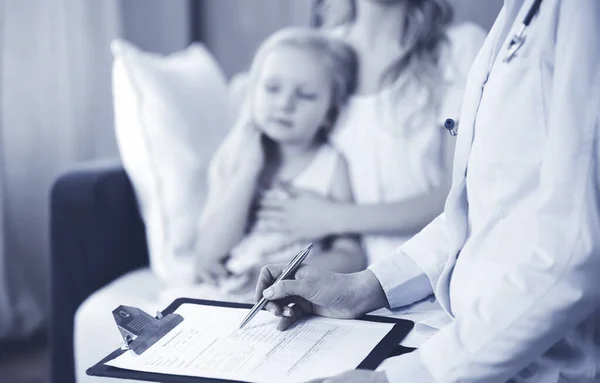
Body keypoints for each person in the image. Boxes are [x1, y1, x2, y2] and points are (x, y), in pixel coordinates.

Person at [255, 0, 600, 382]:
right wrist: (362, 288)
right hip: (462, 336)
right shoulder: (517, 17)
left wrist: (399, 379)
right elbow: (474, 207)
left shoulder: (579, 15)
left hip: (532, 358)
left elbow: (573, 254)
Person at [257, 0, 487, 265]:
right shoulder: (319, 54)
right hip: (333, 281)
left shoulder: (457, 47)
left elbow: (458, 195)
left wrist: (333, 217)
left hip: (431, 276)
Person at [175, 27, 364, 303]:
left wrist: (285, 274)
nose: (285, 104)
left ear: (329, 113)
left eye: (306, 95)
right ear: (254, 92)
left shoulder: (331, 165)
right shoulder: (238, 155)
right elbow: (209, 253)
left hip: (286, 294)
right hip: (230, 289)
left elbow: (351, 254)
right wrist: (248, 172)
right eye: (272, 88)